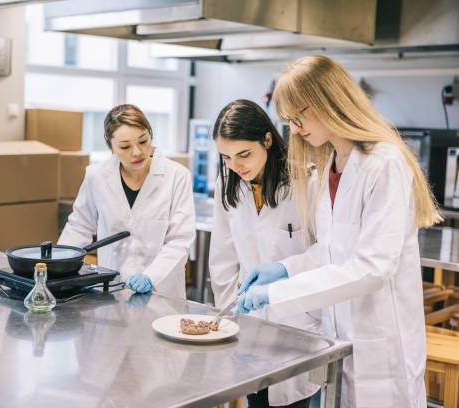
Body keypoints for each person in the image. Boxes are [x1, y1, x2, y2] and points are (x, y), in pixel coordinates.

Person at [236, 55, 441, 407]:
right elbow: (333, 250)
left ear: (328, 102)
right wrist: (285, 268)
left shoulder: (383, 163)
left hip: (379, 344)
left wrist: (280, 293)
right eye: (290, 122)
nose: (296, 129)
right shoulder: (331, 162)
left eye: (299, 117)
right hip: (338, 340)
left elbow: (372, 267)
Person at [209, 99, 320, 408]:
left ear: (267, 140)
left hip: (297, 320)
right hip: (247, 322)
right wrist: (230, 317)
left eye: (244, 154)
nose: (236, 165)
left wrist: (285, 271)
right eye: (227, 157)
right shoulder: (228, 184)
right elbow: (222, 259)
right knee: (256, 398)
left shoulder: (306, 181)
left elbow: (327, 250)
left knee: (295, 399)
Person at [59, 104, 195, 299]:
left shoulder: (177, 176)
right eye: (125, 146)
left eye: (143, 141)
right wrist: (59, 267)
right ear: (110, 147)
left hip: (162, 291)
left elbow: (180, 239)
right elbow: (79, 226)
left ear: (150, 135)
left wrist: (151, 277)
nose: (137, 152)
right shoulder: (96, 176)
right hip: (112, 289)